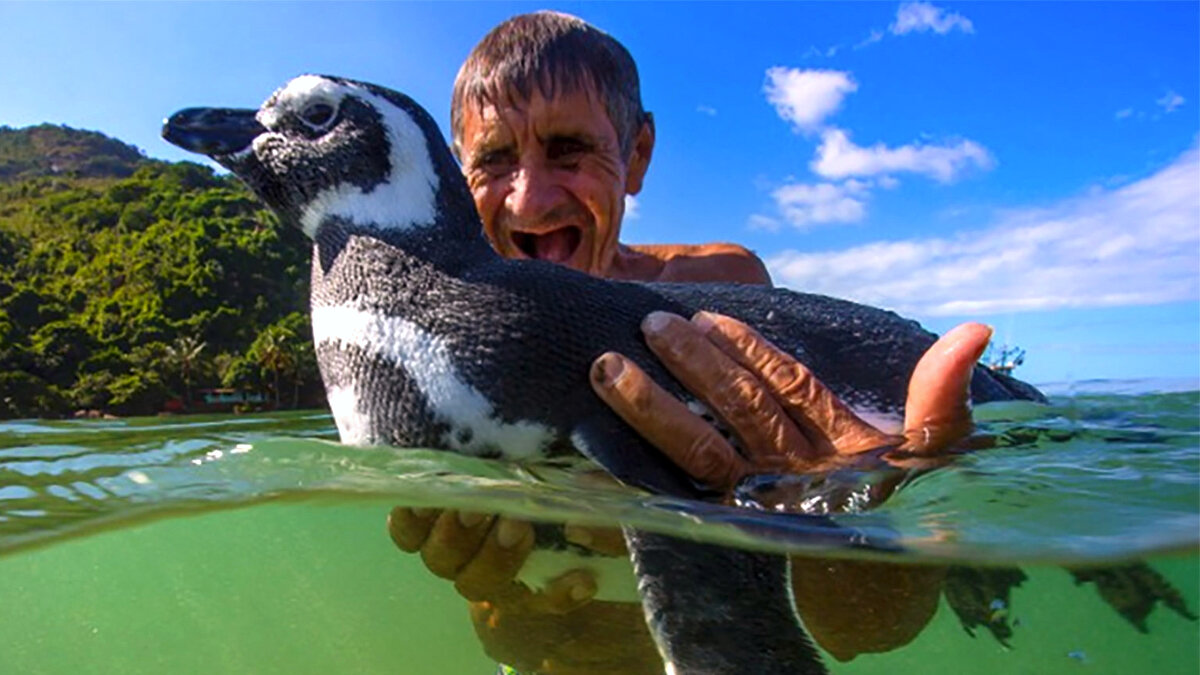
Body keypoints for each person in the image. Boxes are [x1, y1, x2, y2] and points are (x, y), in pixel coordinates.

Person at [388, 11, 990, 673]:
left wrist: (827, 497)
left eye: (568, 150)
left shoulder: (713, 291)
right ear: (457, 174)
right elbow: (508, 615)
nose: (527, 201)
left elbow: (855, 626)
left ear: (637, 154)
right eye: (494, 161)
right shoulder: (433, 353)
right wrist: (497, 592)